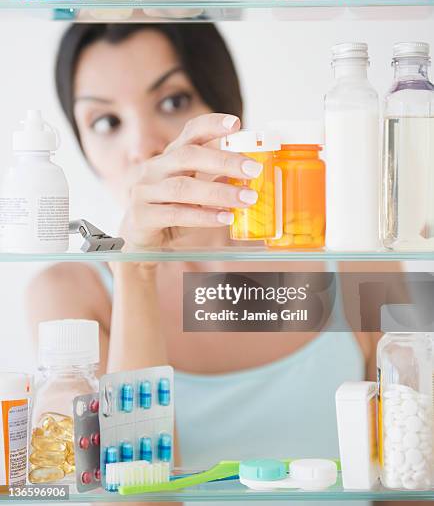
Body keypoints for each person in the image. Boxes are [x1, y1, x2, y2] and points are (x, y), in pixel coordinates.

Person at [27, 23, 391, 472]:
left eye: (172, 101)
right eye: (106, 122)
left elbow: (408, 481)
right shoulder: (70, 294)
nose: (143, 146)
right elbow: (137, 503)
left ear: (228, 110)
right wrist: (136, 269)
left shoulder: (359, 260)